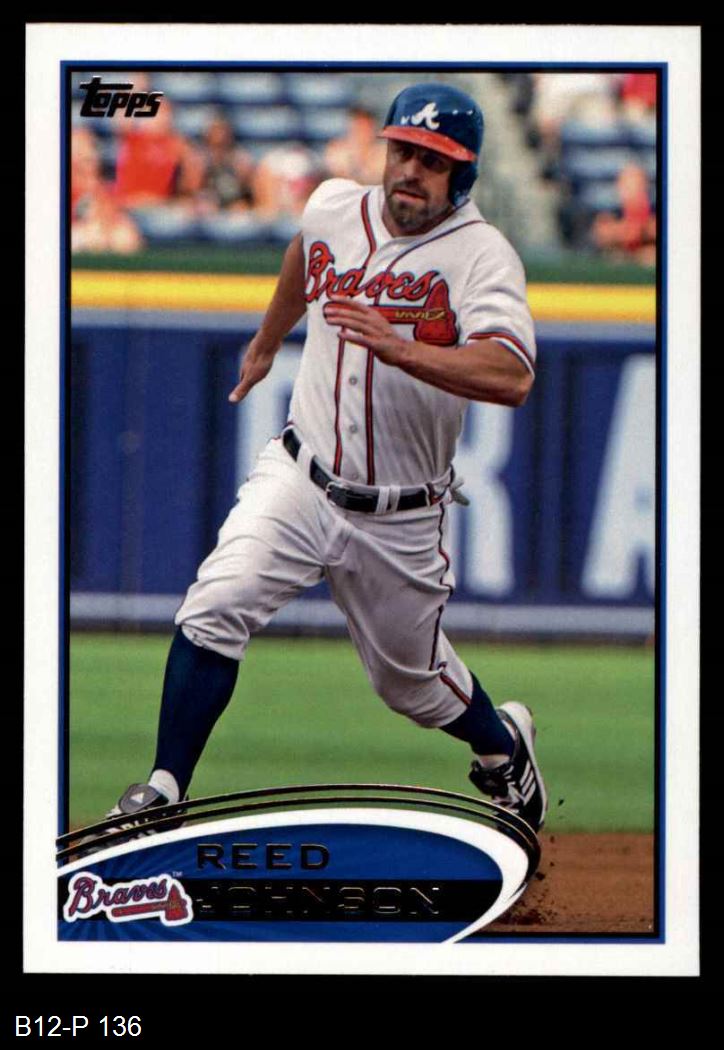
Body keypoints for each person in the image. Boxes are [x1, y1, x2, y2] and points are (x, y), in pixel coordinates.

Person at [103, 83, 547, 839]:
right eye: (404, 151)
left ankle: (504, 747)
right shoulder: (335, 206)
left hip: (401, 513)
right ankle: (164, 789)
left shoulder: (482, 255)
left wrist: (402, 349)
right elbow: (304, 257)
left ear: (463, 175)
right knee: (217, 603)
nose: (412, 170)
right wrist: (268, 338)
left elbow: (513, 374)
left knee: (411, 685)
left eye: (434, 161)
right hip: (300, 476)